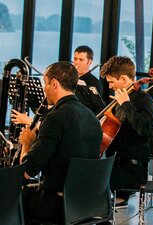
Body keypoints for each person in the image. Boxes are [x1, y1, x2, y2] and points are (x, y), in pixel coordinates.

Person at [19, 61, 103, 224]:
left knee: (8, 200)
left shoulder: (55, 117)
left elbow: (27, 171)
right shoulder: (91, 117)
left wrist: (27, 143)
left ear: (55, 84)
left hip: (57, 204)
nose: (44, 89)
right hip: (87, 203)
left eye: (45, 83)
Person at [100, 56, 153, 208]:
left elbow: (143, 129)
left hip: (130, 168)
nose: (110, 86)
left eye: (112, 81)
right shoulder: (121, 98)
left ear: (124, 79)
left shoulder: (144, 100)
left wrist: (125, 103)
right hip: (118, 162)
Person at [73, 45, 105, 114]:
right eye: (75, 59)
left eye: (81, 60)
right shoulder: (68, 78)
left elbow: (98, 109)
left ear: (89, 62)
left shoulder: (95, 83)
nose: (77, 62)